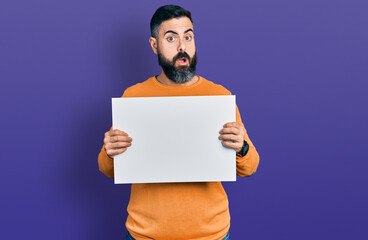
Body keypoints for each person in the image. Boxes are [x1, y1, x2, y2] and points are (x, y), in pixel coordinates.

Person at [98, 5, 260, 240]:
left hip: (210, 235)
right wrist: (110, 151)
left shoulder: (219, 96)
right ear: (155, 45)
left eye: (188, 37)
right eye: (171, 38)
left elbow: (250, 166)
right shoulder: (133, 96)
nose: (182, 46)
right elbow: (107, 168)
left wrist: (241, 146)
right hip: (145, 235)